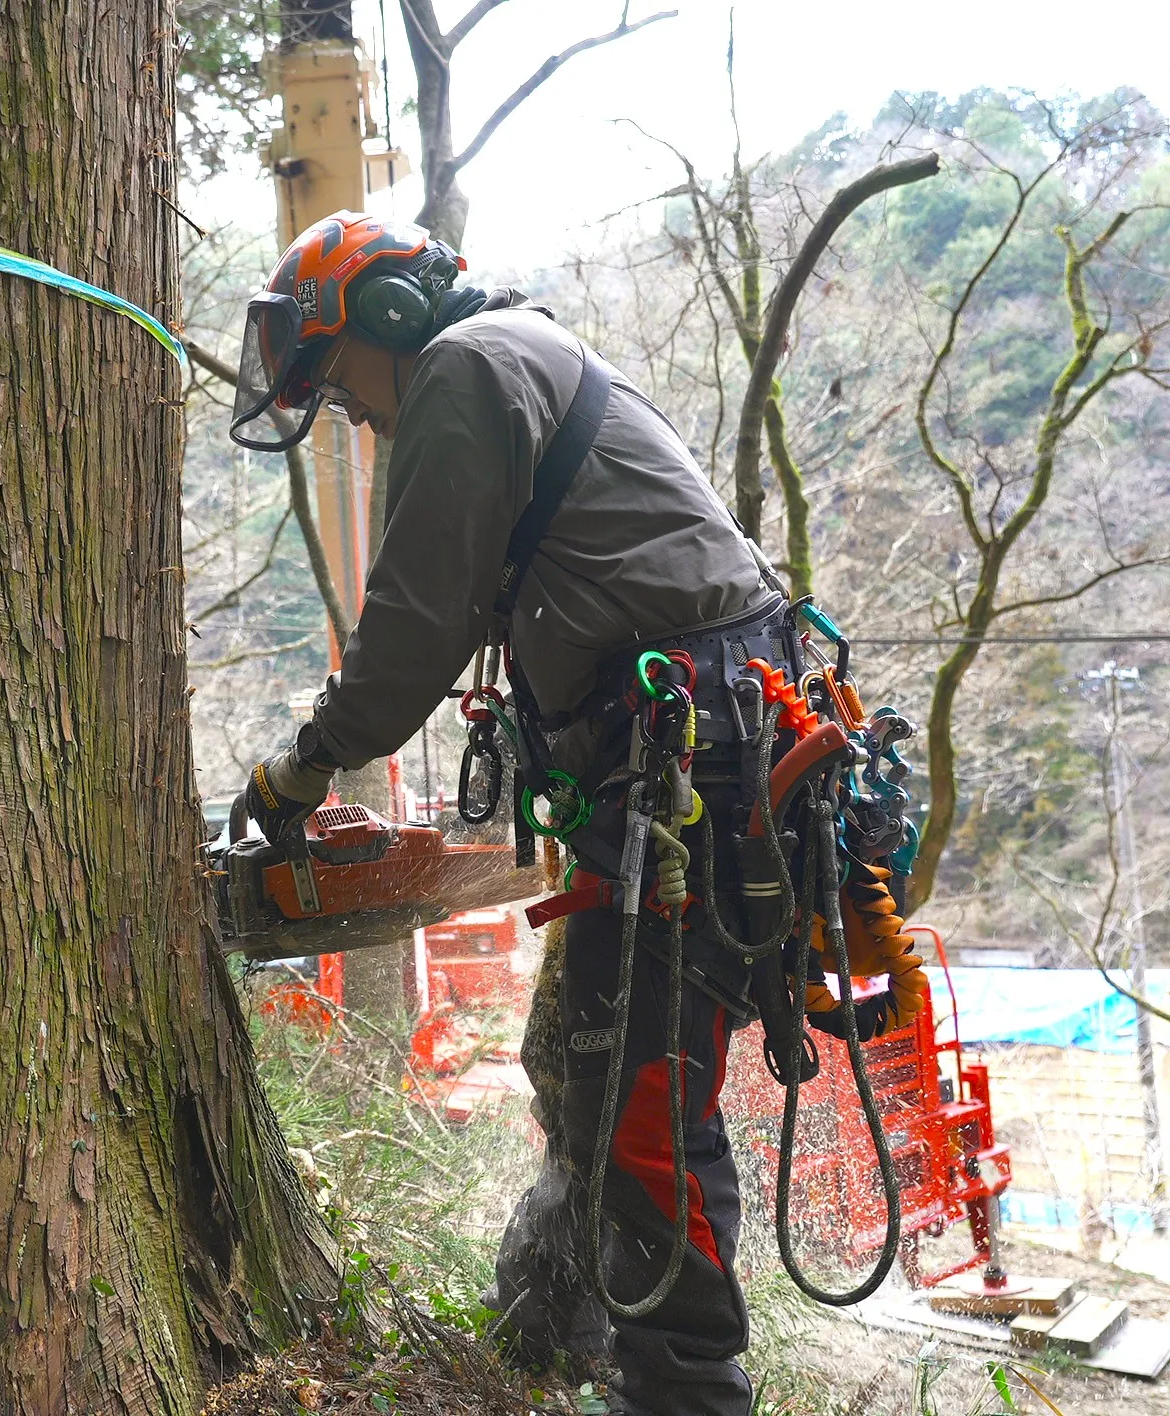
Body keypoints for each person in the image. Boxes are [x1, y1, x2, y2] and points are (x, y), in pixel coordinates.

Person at [229, 211, 927, 1416]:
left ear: (385, 317)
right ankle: (554, 1327)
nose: (359, 419)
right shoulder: (519, 355)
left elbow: (415, 621)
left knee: (638, 1101)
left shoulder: (466, 367)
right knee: (580, 1062)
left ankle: (683, 1393)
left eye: (343, 389)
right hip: (690, 760)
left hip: (695, 765)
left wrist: (304, 765)